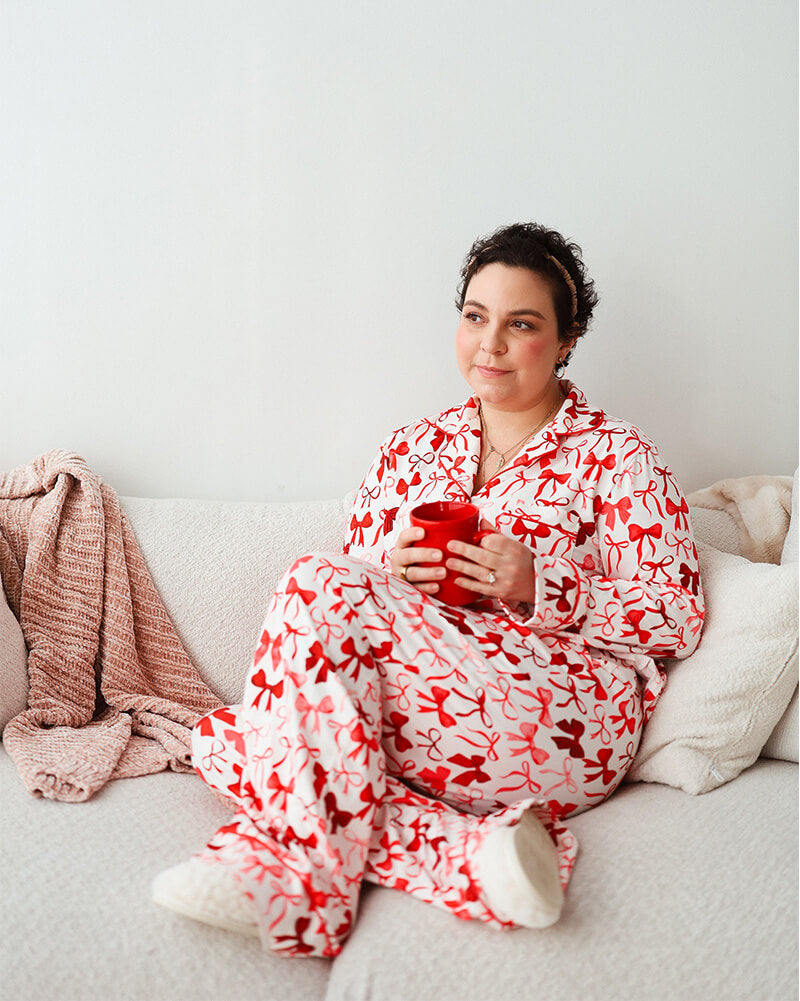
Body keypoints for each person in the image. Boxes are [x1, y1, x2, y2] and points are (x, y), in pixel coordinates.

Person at [152, 222, 704, 956]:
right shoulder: (410, 447)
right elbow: (336, 627)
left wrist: (543, 580)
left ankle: (296, 887)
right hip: (429, 707)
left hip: (562, 714)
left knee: (299, 639)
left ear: (567, 340)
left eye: (522, 324)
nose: (490, 343)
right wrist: (389, 568)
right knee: (224, 734)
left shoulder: (620, 455)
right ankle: (474, 857)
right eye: (475, 317)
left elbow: (679, 615)